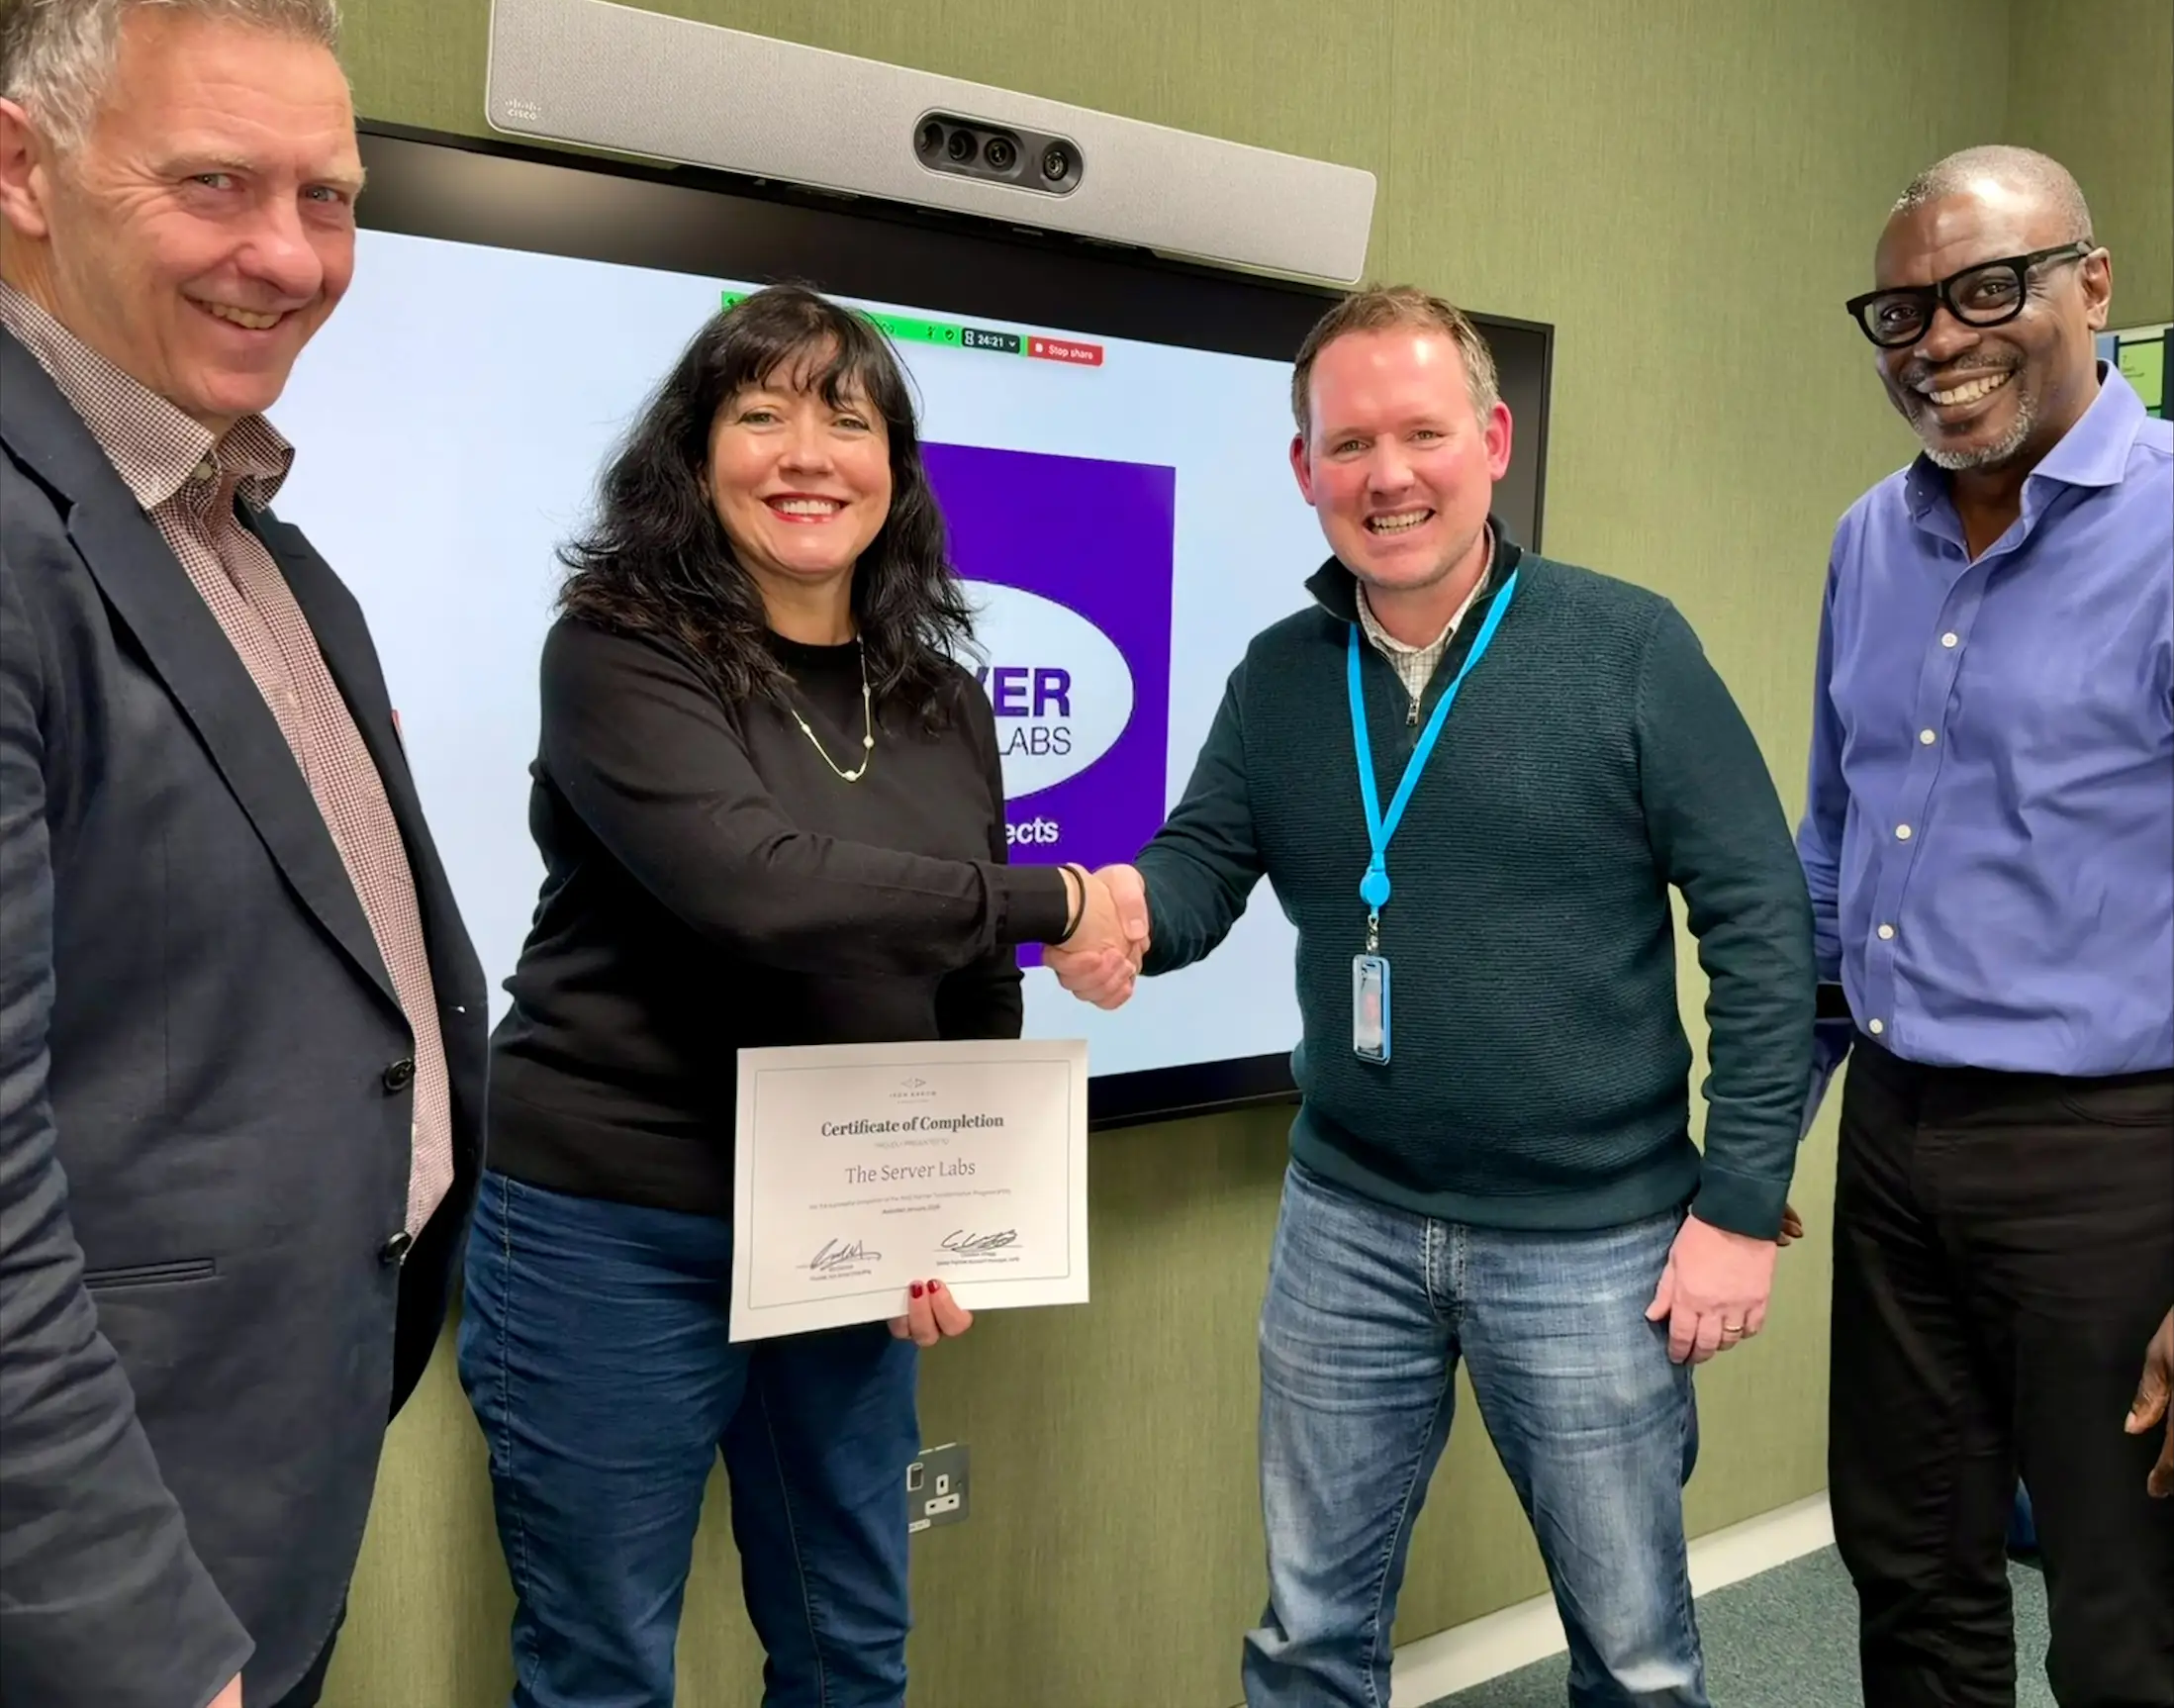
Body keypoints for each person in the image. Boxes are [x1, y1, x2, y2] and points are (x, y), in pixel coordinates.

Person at [1051, 285, 1816, 1707]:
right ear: (1303, 469)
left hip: (1595, 1238)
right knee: (1307, 1639)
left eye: (1420, 433)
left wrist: (1735, 1202)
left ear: (1494, 440)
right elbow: (1204, 864)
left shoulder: (1627, 645)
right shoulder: (1282, 676)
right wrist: (1124, 915)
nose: (1386, 475)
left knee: (1637, 1659)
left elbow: (1765, 929)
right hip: (1346, 1221)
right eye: (1347, 444)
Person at [456, 283, 1140, 1708]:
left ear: (894, 466)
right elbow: (761, 889)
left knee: (851, 1651)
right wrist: (1058, 896)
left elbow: (966, 979)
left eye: (846, 416)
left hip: (843, 1229)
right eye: (758, 414)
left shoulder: (944, 698)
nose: (805, 451)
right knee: (601, 1669)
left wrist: (958, 1213)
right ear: (697, 458)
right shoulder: (618, 648)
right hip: (611, 1227)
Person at [0, 0, 486, 1708]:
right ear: (23, 171)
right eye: (212, 183)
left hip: (262, 1465)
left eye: (331, 196)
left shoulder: (256, 543)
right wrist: (135, 1629)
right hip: (102, 1579)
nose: (287, 255)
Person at [1803, 143, 2173, 1706]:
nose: (1938, 340)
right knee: (1911, 1569)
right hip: (1897, 1133)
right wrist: (1762, 1144)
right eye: (1900, 312)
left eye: (1984, 289)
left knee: (2128, 1614)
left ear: (2094, 284)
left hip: (2114, 1158)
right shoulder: (1866, 543)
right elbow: (1832, 849)